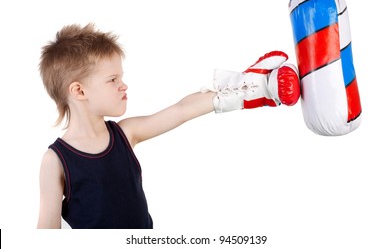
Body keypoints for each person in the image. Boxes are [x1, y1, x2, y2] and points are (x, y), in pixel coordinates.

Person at [37, 23, 300, 229]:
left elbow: (181, 110)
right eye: (112, 79)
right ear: (79, 90)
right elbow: (47, 230)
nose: (123, 85)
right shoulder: (56, 161)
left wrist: (243, 91)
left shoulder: (126, 133)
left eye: (122, 77)